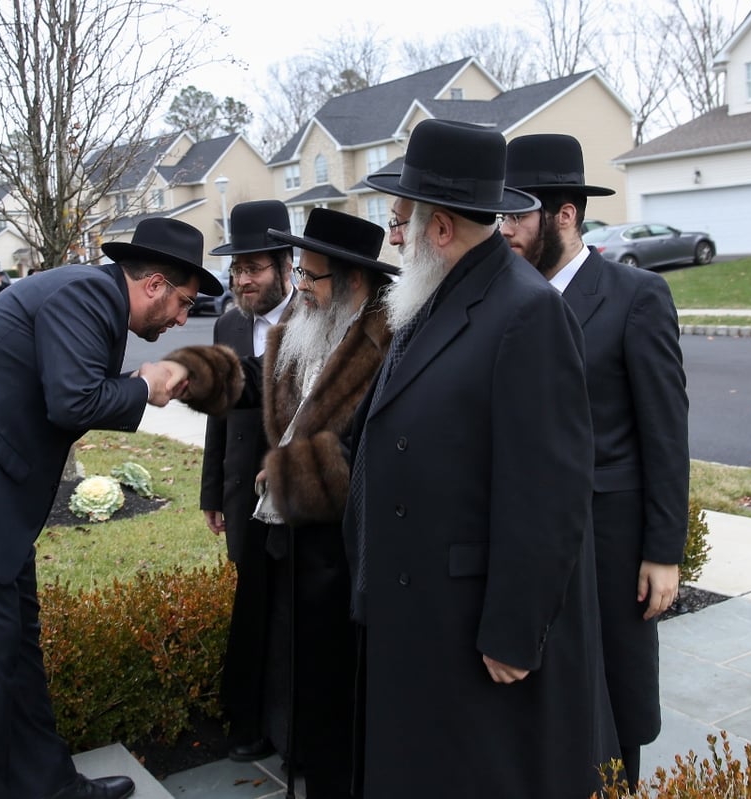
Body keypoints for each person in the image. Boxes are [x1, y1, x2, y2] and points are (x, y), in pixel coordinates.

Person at [0, 217, 221, 799]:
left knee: (15, 648)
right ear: (154, 284)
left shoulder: (93, 298)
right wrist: (145, 386)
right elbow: (73, 400)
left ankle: (52, 787)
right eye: (183, 303)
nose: (183, 319)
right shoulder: (83, 293)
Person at [349, 119, 619, 797]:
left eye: (402, 223)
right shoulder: (434, 298)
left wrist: (513, 628)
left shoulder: (526, 313)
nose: (395, 239)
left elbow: (550, 491)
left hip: (476, 631)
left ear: (441, 229)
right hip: (423, 611)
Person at [168, 208, 399, 799]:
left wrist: (289, 471)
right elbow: (254, 376)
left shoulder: (389, 340)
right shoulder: (309, 323)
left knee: (335, 686)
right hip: (290, 538)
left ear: (351, 282)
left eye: (313, 276)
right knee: (290, 668)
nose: (302, 286)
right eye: (300, 272)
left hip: (343, 551)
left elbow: (375, 450)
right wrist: (190, 375)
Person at [503, 133, 690, 789]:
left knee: (614, 708)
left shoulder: (635, 297)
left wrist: (664, 551)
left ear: (565, 213)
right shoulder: (505, 302)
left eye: (517, 214)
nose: (506, 231)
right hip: (530, 549)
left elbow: (665, 434)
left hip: (610, 549)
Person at [200, 200, 295, 763]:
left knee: (286, 614)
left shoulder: (313, 319)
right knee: (251, 611)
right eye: (237, 268)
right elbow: (218, 411)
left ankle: (285, 730)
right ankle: (250, 721)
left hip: (294, 499)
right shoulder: (228, 320)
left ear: (286, 264)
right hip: (241, 495)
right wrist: (213, 491)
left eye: (254, 267)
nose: (242, 279)